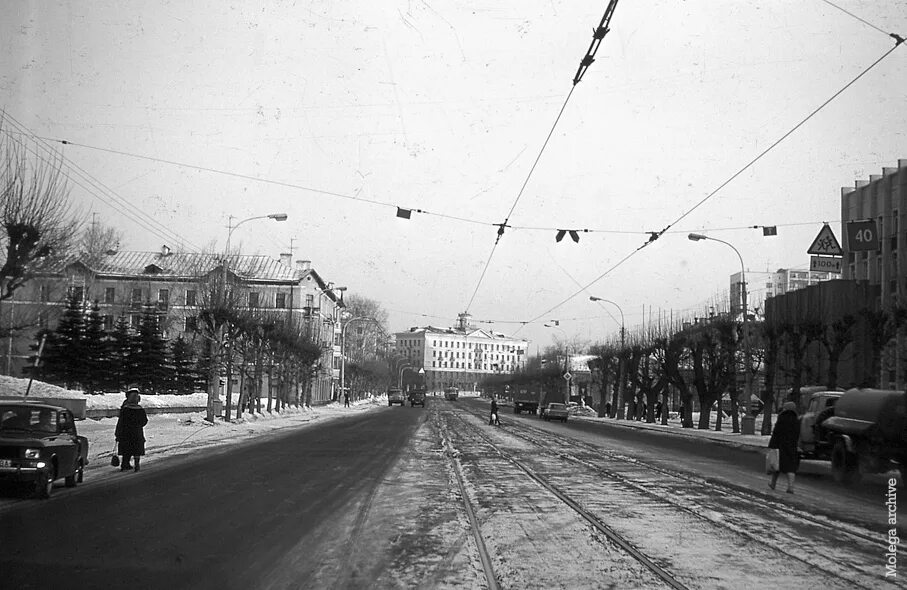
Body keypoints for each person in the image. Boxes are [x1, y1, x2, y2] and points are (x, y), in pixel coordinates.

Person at [768, 401, 800, 493]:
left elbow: (776, 432)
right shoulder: (796, 420)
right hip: (792, 446)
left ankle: (773, 483)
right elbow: (797, 434)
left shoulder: (781, 418)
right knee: (791, 467)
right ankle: (791, 487)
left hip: (780, 445)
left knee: (776, 465)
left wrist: (772, 445)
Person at [115, 388, 149, 472]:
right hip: (137, 432)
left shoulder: (125, 409)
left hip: (125, 432)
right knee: (137, 448)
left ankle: (125, 464)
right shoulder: (140, 409)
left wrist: (118, 433)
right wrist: (138, 425)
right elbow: (144, 421)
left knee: (126, 448)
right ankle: (136, 464)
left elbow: (121, 422)